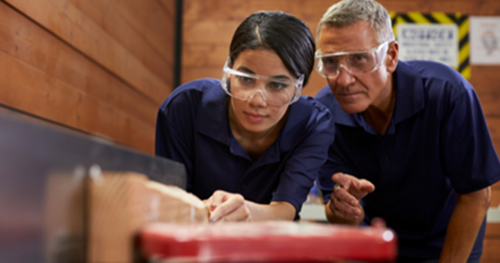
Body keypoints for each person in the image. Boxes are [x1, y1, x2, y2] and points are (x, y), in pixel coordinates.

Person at [313, 0, 500, 262]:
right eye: (331, 62)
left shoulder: (448, 94)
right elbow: (337, 214)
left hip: (447, 237)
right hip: (376, 240)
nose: (343, 79)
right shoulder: (323, 115)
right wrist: (345, 212)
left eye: (359, 59)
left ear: (391, 56)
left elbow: (475, 195)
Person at [155, 11, 334, 223]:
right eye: (246, 80)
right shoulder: (183, 108)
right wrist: (206, 209)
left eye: (277, 85)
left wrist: (242, 211)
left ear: (298, 88)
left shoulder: (313, 123)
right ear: (229, 72)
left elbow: (286, 209)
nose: (257, 101)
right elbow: (167, 204)